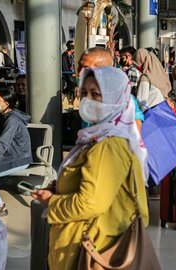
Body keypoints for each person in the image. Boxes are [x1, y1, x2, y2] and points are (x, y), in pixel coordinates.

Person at [31, 67, 150, 269]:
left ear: (116, 98)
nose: (88, 101)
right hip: (90, 242)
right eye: (84, 93)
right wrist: (61, 187)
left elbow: (90, 203)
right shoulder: (100, 137)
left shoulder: (107, 145)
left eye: (96, 94)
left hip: (88, 250)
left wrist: (52, 201)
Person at [0, 88, 31, 217]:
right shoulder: (5, 117)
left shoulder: (12, 120)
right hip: (7, 156)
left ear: (6, 104)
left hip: (17, 158)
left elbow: (3, 143)